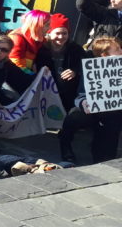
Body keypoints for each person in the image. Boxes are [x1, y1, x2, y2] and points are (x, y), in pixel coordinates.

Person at [35, 15, 87, 162]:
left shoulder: (75, 48)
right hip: (49, 90)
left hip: (70, 90)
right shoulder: (42, 50)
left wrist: (75, 71)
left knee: (69, 118)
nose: (61, 37)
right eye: (57, 33)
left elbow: (86, 64)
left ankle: (66, 142)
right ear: (49, 33)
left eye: (64, 33)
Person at [74, 37, 122, 163]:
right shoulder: (92, 70)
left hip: (117, 113)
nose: (121, 51)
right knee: (104, 134)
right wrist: (83, 103)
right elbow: (81, 94)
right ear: (105, 55)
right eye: (117, 49)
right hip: (101, 114)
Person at [8, 10, 50, 74]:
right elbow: (15, 65)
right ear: (36, 25)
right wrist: (33, 76)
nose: (49, 28)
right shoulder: (17, 38)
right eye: (47, 25)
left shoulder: (39, 39)